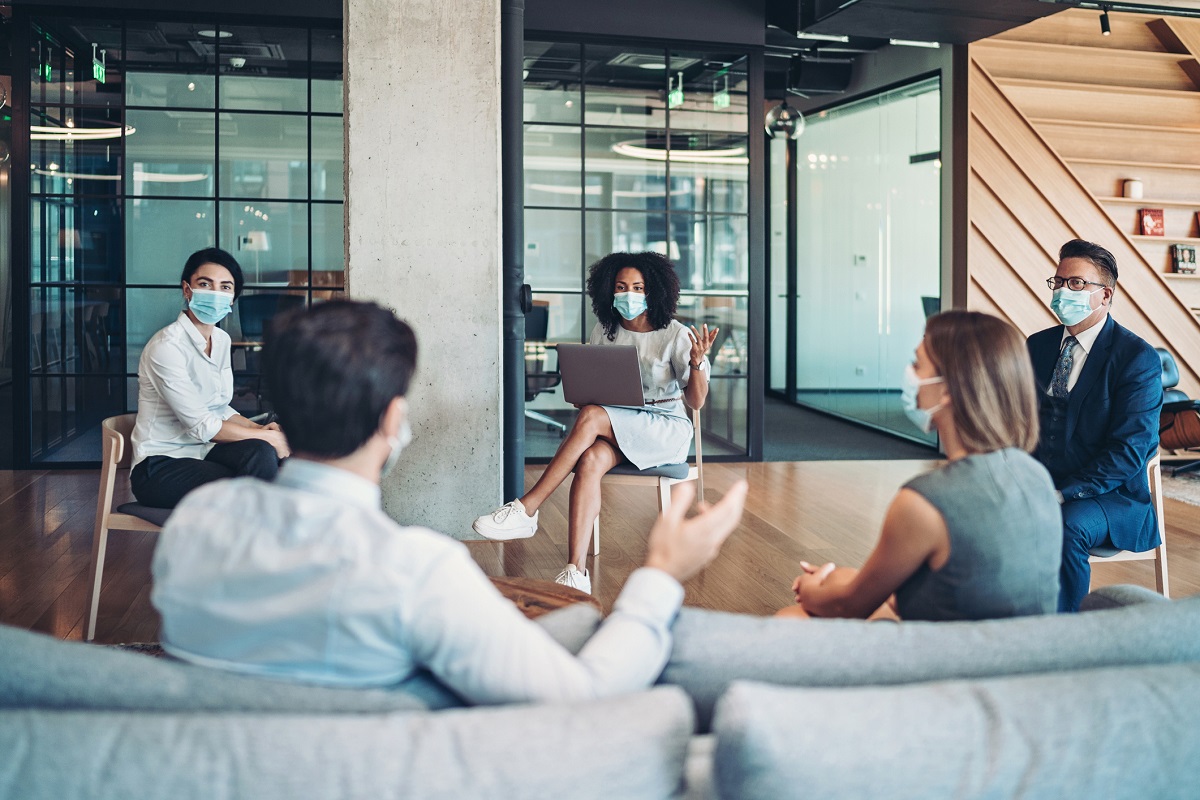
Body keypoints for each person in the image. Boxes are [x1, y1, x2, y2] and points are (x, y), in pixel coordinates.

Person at [151, 300, 748, 704]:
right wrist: (662, 573)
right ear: (394, 420)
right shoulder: (418, 570)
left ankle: (531, 507)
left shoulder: (192, 532)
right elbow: (581, 694)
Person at [780, 311, 1062, 622]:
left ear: (947, 390)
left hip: (947, 658)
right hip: (1020, 648)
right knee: (841, 576)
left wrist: (810, 589)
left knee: (791, 618)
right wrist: (834, 584)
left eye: (917, 365)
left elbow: (846, 607)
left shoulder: (924, 502)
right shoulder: (1035, 475)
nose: (910, 375)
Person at [472, 252, 719, 594]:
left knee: (591, 417)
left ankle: (527, 508)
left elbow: (696, 402)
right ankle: (576, 570)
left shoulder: (675, 335)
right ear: (608, 290)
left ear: (653, 291)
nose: (627, 294)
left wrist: (696, 364)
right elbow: (594, 389)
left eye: (636, 287)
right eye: (620, 286)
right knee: (589, 458)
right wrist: (585, 391)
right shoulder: (605, 331)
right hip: (619, 421)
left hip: (665, 427)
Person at [1027, 239, 1162, 613]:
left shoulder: (1136, 358)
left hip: (1112, 497)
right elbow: (1020, 424)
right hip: (1045, 482)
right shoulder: (1037, 346)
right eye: (1058, 282)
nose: (1061, 292)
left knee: (1065, 524)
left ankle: (1066, 635)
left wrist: (1063, 493)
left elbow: (1129, 452)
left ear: (1105, 295)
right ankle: (1006, 620)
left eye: (1075, 284)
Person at [130, 247, 288, 509]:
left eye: (225, 287)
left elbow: (219, 408)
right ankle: (261, 542)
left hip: (204, 452)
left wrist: (261, 431)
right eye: (205, 284)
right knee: (252, 477)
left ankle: (261, 538)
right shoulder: (166, 347)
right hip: (159, 467)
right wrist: (269, 438)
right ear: (187, 289)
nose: (216, 293)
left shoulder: (221, 340)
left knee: (261, 456)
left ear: (232, 298)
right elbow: (202, 426)